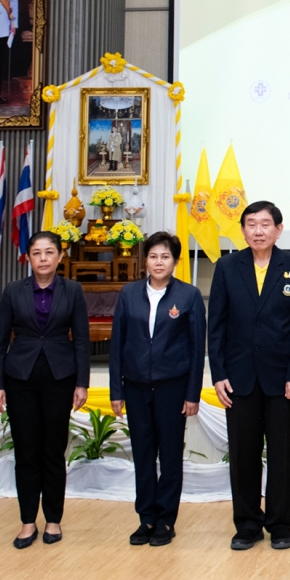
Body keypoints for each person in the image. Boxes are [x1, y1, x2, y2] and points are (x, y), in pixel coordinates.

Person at [207, 201, 290, 551]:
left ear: (278, 230)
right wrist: (219, 373)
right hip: (238, 379)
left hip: (284, 379)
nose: (258, 231)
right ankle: (247, 524)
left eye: (265, 224)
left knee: (284, 453)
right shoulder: (227, 267)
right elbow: (217, 325)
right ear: (242, 230)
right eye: (251, 224)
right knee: (243, 453)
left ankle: (280, 523)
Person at [0, 230, 91, 548]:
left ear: (60, 257)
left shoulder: (73, 290)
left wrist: (82, 383)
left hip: (60, 379)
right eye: (37, 252)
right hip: (20, 379)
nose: (44, 258)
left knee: (53, 452)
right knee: (26, 453)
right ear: (28, 257)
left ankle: (54, 520)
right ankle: (26, 522)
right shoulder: (12, 291)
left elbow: (83, 340)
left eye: (50, 252)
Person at [109, 231, 205, 547]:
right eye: (153, 256)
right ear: (145, 260)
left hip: (173, 388)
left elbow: (196, 348)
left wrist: (193, 394)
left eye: (165, 256)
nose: (159, 262)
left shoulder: (189, 296)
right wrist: (116, 391)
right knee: (143, 455)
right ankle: (146, 518)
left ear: (175, 261)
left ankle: (165, 520)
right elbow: (117, 346)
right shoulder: (129, 294)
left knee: (170, 456)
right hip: (135, 388)